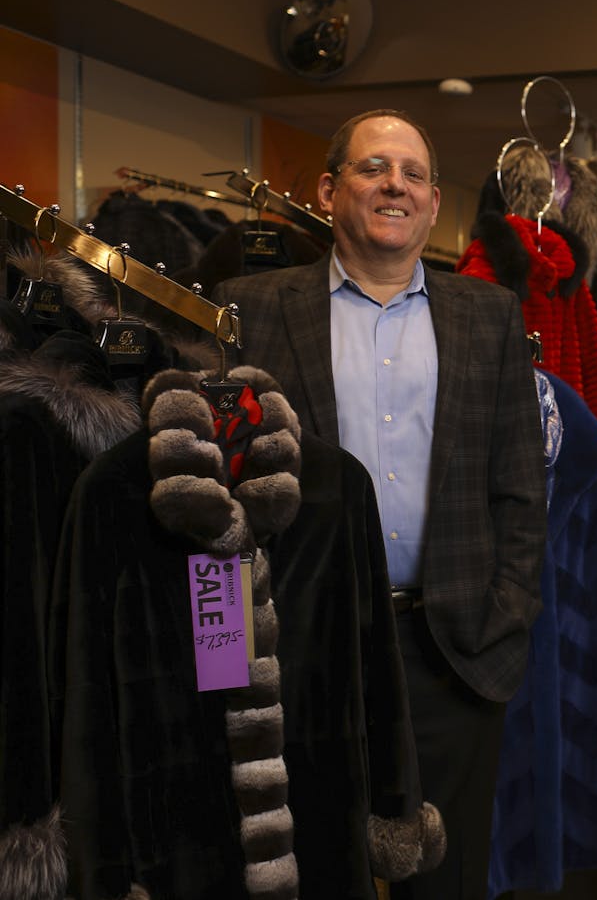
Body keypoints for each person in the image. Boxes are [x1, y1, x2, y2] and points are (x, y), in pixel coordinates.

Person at [217, 109, 546, 900]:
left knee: (447, 879)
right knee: (315, 869)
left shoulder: (488, 315)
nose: (395, 184)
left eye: (414, 173)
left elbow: (520, 488)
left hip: (453, 648)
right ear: (330, 191)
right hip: (307, 648)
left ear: (435, 205)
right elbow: (225, 498)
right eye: (373, 168)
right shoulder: (250, 309)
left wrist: (506, 612)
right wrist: (224, 658)